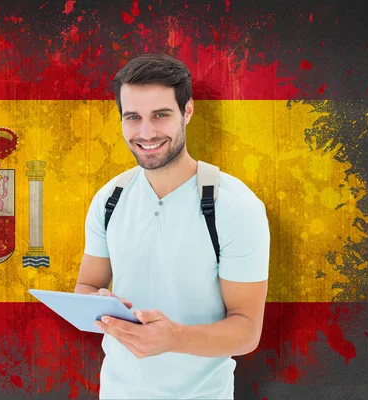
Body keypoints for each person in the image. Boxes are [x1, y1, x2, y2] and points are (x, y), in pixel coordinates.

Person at [74, 54, 270, 399]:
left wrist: (173, 338)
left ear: (188, 112)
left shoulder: (235, 206)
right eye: (133, 117)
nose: (146, 133)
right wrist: (99, 303)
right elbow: (86, 286)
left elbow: (246, 331)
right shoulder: (110, 199)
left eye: (161, 115)